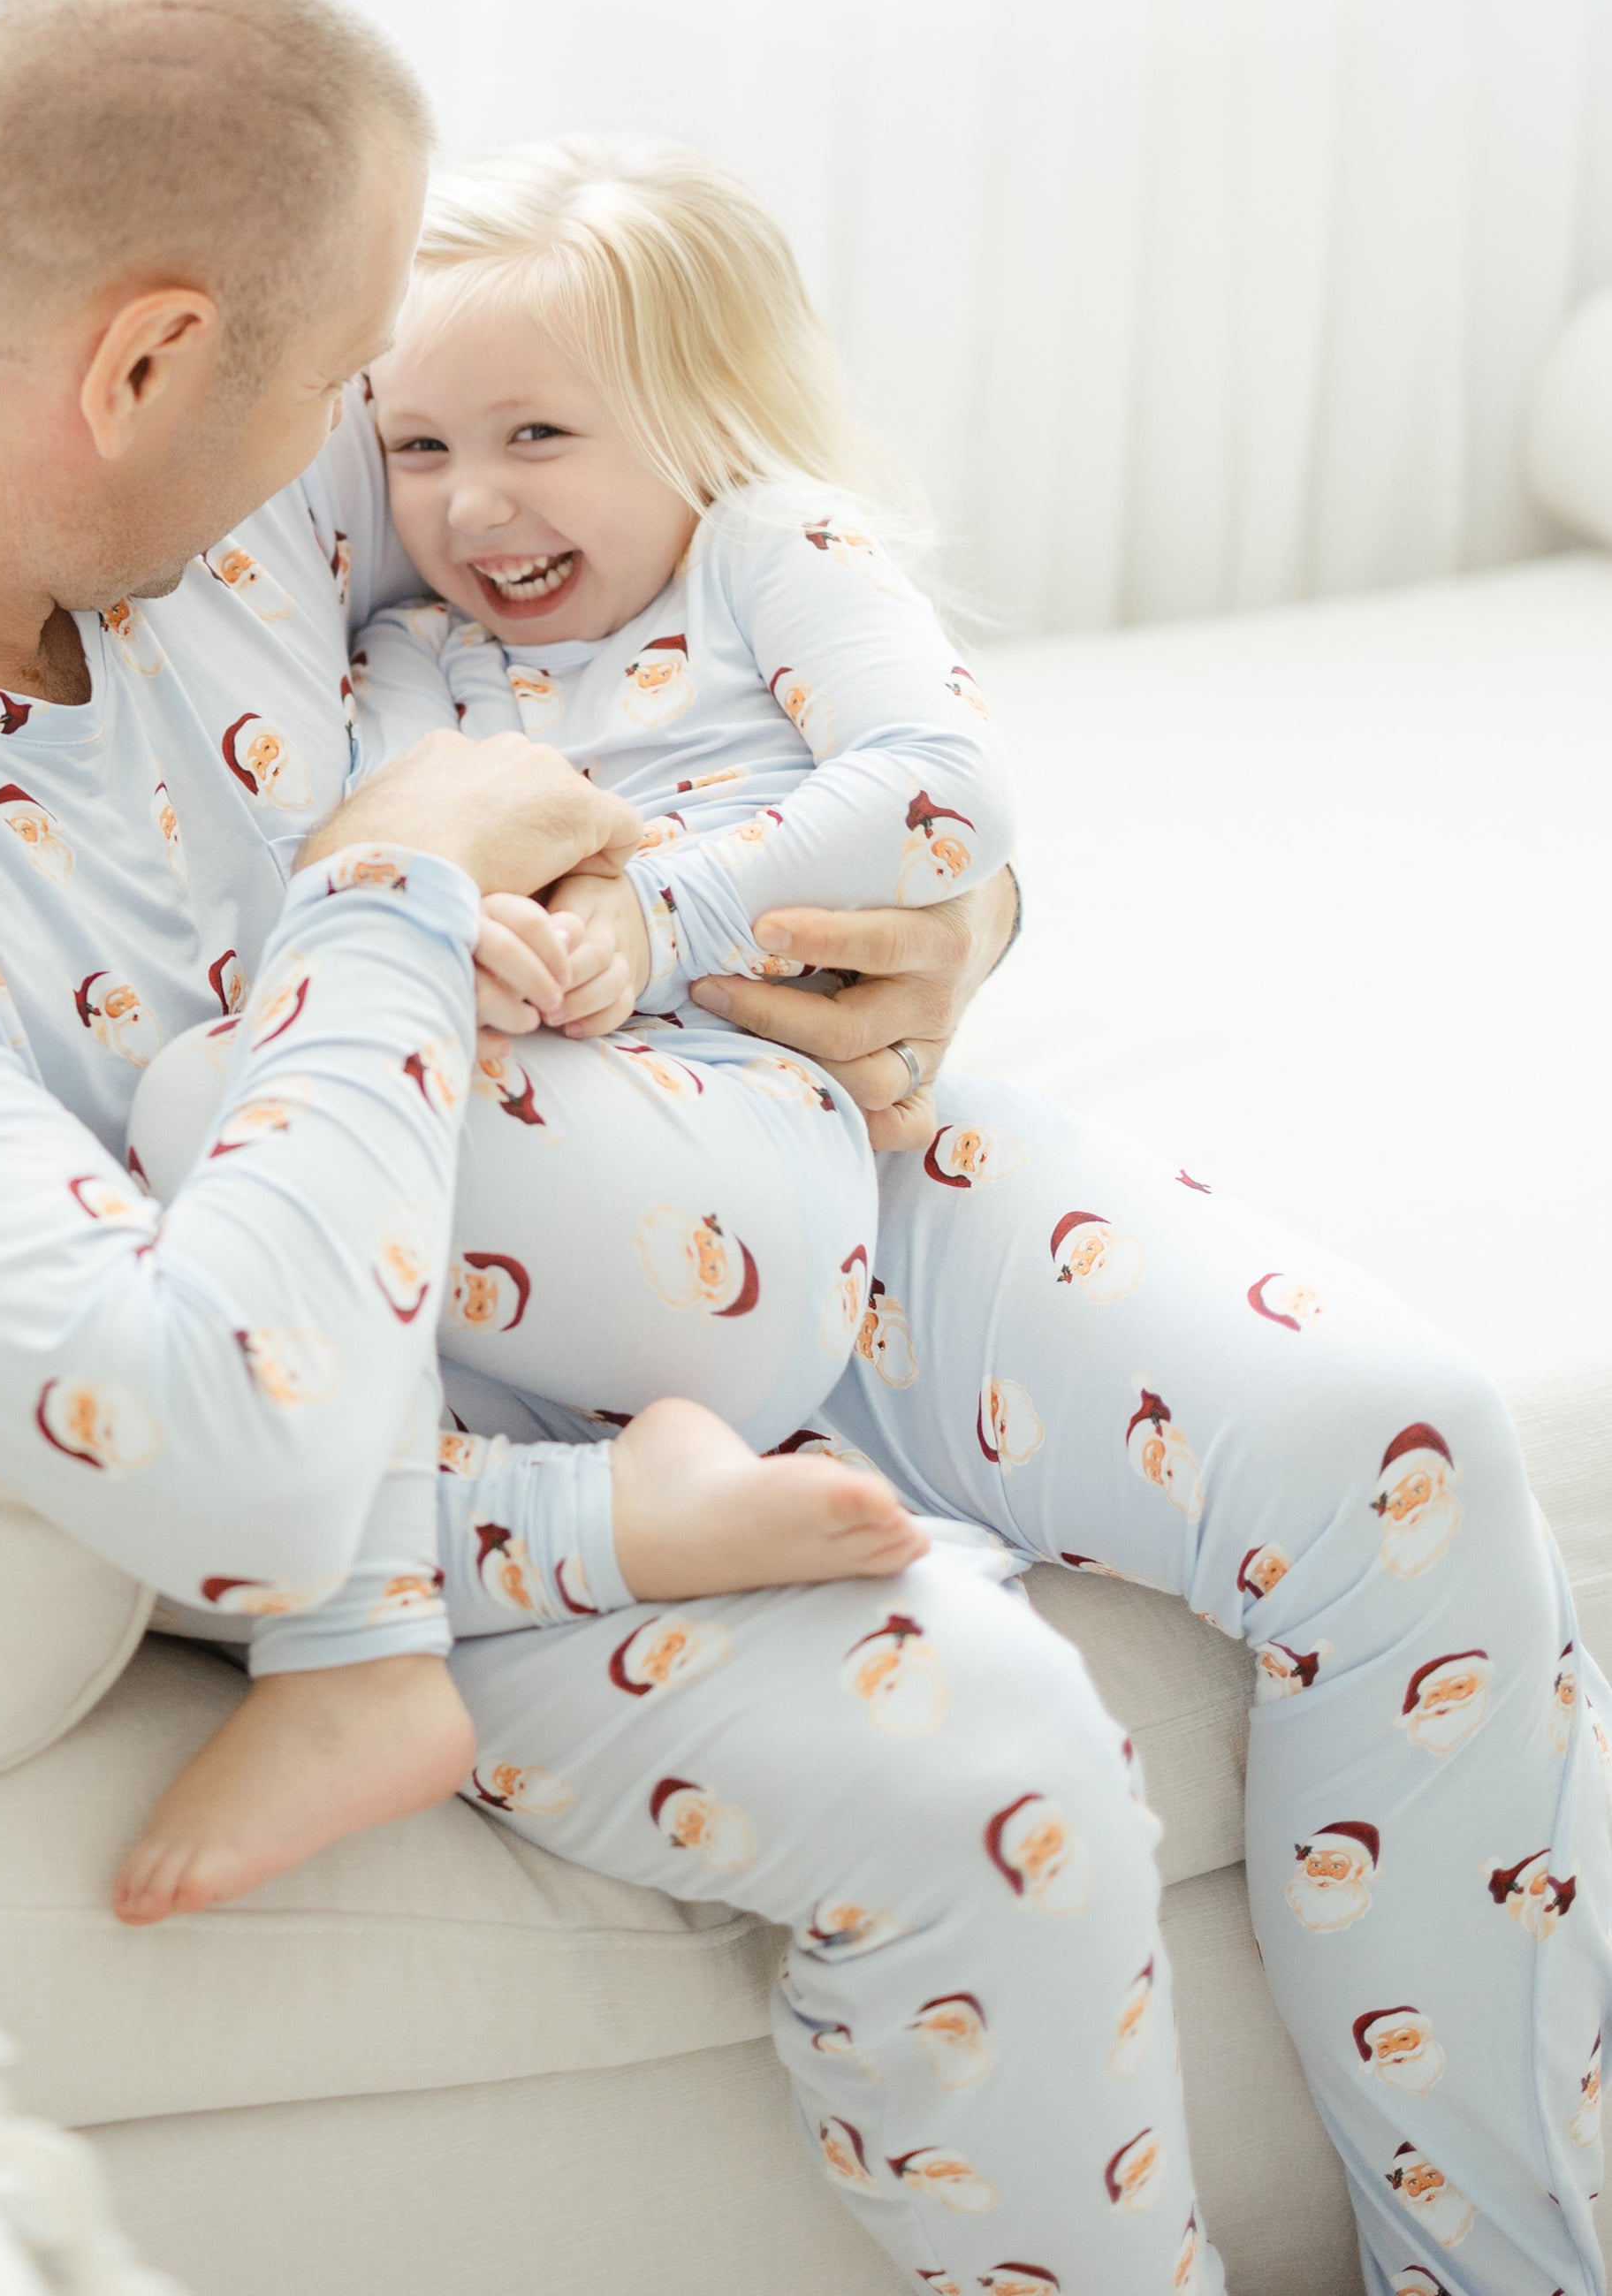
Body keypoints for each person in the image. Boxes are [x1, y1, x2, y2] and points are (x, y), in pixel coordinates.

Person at [0, 0, 1608, 2296]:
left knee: (1402, 1444)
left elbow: (668, 606)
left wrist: (919, 929)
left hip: (766, 1151)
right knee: (996, 1764)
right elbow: (220, 1433)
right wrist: (399, 901)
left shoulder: (205, 459)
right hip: (468, 1432)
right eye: (337, 399)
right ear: (146, 363)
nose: (375, 474)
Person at [113, 131, 1015, 1917]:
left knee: (215, 1100)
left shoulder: (770, 552)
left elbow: (944, 790)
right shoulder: (417, 660)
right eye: (423, 449)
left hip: (753, 1156)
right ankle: (619, 1511)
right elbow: (374, 876)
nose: (470, 505)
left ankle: (359, 1655)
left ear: (695, 416)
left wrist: (644, 914)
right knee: (247, 1239)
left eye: (538, 438)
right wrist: (480, 937)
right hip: (565, 1205)